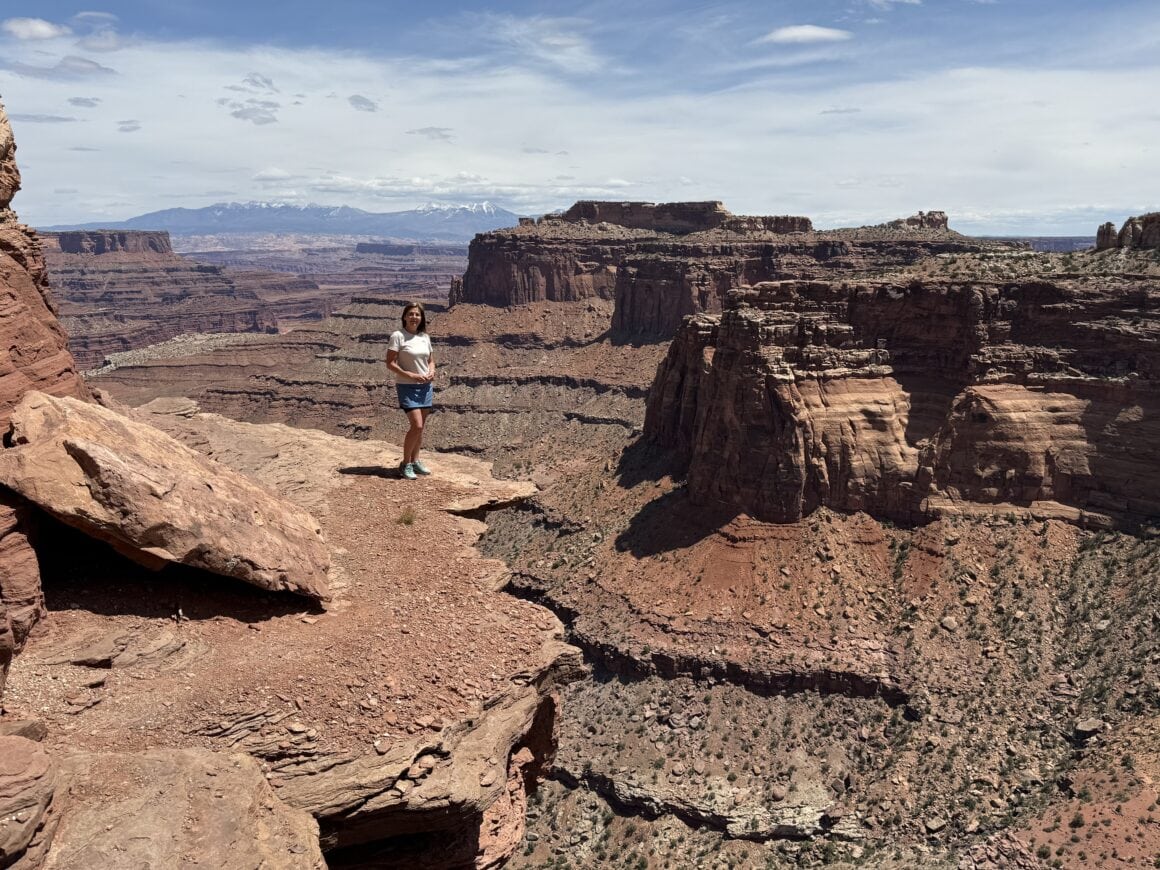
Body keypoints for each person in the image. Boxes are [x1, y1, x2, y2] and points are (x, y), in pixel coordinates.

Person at [386, 302, 435, 480]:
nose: (414, 317)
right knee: (417, 425)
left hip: (426, 386)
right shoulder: (398, 336)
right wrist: (410, 375)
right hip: (407, 386)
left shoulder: (424, 337)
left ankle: (416, 461)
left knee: (420, 429)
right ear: (405, 317)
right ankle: (405, 464)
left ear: (421, 318)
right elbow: (390, 363)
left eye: (417, 315)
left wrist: (432, 371)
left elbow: (431, 360)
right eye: (411, 314)